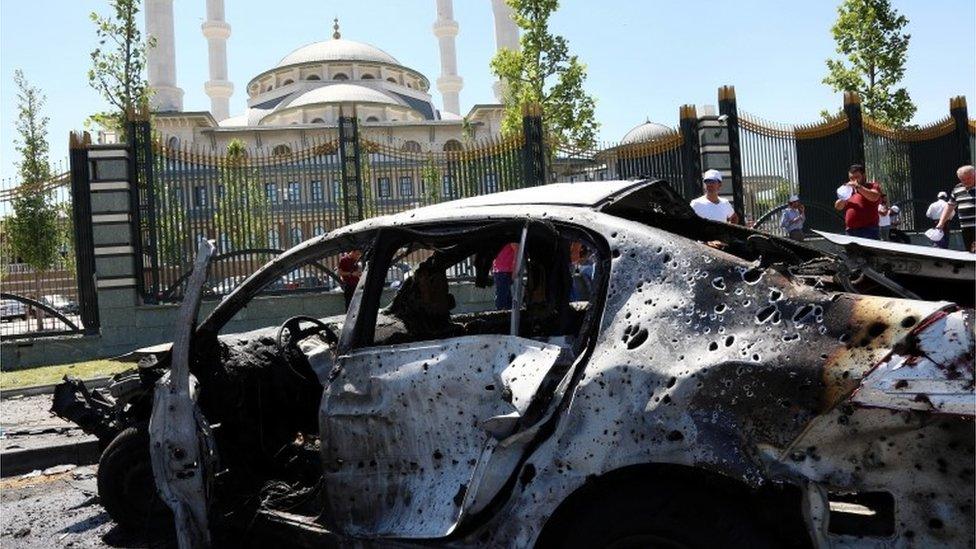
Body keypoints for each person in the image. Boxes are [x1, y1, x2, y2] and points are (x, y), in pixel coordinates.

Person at [834, 164, 882, 239]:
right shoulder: (849, 191)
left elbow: (874, 197)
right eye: (851, 178)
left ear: (864, 176)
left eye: (856, 177)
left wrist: (858, 186)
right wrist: (843, 198)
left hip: (868, 230)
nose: (853, 181)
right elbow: (838, 207)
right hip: (850, 231)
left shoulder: (872, 186)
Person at [935, 165, 976, 253]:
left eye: (968, 178)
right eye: (963, 179)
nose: (966, 181)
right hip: (966, 228)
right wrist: (941, 222)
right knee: (971, 252)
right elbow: (950, 206)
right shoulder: (957, 189)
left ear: (974, 175)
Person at [492, 242, 518, 309]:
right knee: (506, 297)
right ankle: (507, 315)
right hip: (499, 270)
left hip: (505, 271)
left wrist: (514, 270)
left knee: (501, 298)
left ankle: (499, 314)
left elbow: (517, 251)